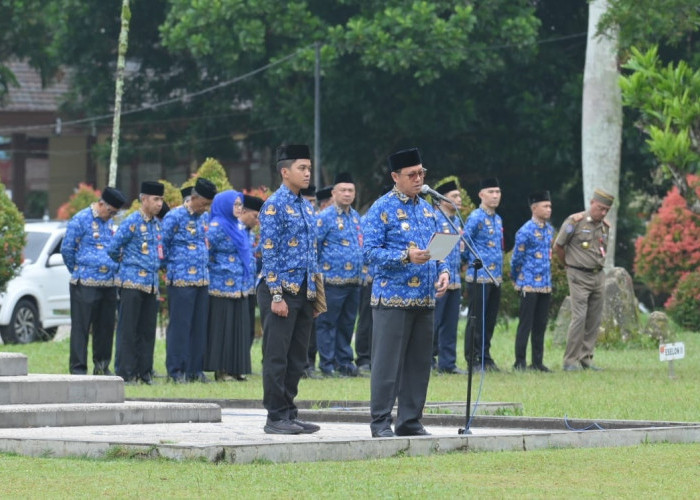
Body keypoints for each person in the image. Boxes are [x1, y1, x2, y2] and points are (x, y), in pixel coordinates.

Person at [363, 147, 450, 438]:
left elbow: (441, 246)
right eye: (411, 174)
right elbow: (370, 252)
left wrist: (445, 271)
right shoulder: (381, 208)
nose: (418, 178)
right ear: (395, 177)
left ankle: (410, 421)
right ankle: (380, 422)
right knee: (387, 365)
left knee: (419, 364)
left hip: (425, 299)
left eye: (421, 173)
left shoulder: (428, 208)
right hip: (392, 298)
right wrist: (405, 256)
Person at [257, 144, 322, 435]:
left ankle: (289, 411)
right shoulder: (273, 205)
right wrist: (276, 295)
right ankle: (275, 416)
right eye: (302, 168)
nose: (308, 173)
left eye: (309, 168)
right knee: (277, 356)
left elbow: (311, 253)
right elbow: (268, 252)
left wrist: (316, 296)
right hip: (280, 291)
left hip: (305, 292)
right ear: (285, 172)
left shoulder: (305, 206)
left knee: (298, 357)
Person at [61, 186, 126, 375]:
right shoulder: (81, 219)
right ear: (101, 204)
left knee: (105, 328)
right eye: (110, 211)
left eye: (115, 213)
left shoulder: (110, 223)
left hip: (108, 283)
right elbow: (67, 249)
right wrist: (78, 270)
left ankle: (102, 366)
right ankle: (78, 369)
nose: (111, 216)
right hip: (85, 282)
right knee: (81, 329)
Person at [107, 181, 164, 384]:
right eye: (155, 199)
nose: (159, 204)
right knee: (128, 330)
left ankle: (144, 371)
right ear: (144, 199)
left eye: (161, 200)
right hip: (132, 283)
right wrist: (126, 264)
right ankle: (126, 372)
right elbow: (113, 248)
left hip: (150, 284)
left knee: (147, 331)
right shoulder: (132, 222)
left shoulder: (157, 225)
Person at [161, 177, 216, 383]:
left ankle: (195, 370)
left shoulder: (204, 218)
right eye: (203, 203)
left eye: (209, 204)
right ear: (193, 198)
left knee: (199, 327)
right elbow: (162, 248)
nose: (206, 208)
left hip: (202, 280)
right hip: (181, 280)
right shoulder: (174, 217)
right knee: (180, 327)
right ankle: (176, 371)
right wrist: (175, 266)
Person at [554, 188, 614, 371]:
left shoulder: (605, 226)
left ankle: (586, 357)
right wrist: (569, 265)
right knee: (579, 317)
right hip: (578, 274)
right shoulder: (575, 221)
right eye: (601, 208)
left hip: (598, 274)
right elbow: (558, 246)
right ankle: (570, 360)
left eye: (606, 210)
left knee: (594, 318)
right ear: (592, 203)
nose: (603, 212)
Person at [315, 172, 364, 377]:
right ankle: (327, 364)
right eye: (342, 190)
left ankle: (344, 361)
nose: (347, 194)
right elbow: (314, 245)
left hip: (353, 280)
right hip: (331, 280)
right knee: (327, 323)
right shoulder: (325, 217)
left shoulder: (355, 216)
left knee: (347, 323)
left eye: (350, 190)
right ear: (333, 193)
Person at [205, 190, 252, 381]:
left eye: (241, 205)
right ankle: (221, 369)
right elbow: (206, 254)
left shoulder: (238, 226)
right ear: (224, 205)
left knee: (238, 327)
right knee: (223, 327)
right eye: (235, 205)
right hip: (221, 285)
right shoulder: (217, 226)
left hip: (240, 285)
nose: (239, 208)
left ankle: (236, 368)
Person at [462, 177, 504, 372]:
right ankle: (473, 358)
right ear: (481, 195)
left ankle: (486, 356)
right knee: (476, 319)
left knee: (490, 319)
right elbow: (464, 244)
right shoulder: (476, 217)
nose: (495, 196)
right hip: (479, 276)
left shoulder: (497, 219)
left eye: (498, 192)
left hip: (495, 276)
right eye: (491, 192)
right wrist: (465, 263)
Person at [510, 190, 554, 373]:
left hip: (545, 283)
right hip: (528, 282)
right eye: (545, 206)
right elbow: (516, 258)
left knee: (540, 325)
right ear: (534, 208)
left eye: (550, 206)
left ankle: (537, 361)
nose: (549, 209)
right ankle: (519, 361)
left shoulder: (550, 230)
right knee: (525, 324)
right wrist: (516, 278)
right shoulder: (525, 230)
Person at [431, 180, 466, 375]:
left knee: (451, 324)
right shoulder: (436, 218)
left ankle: (448, 362)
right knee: (433, 323)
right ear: (442, 200)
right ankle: (428, 360)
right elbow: (433, 251)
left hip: (454, 280)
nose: (459, 200)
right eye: (454, 196)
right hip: (438, 280)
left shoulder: (457, 221)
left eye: (459, 196)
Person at [239, 194, 264, 352]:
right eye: (255, 216)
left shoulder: (251, 234)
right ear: (243, 212)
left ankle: (244, 363)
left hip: (250, 286)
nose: (257, 222)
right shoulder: (234, 231)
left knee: (248, 327)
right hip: (234, 287)